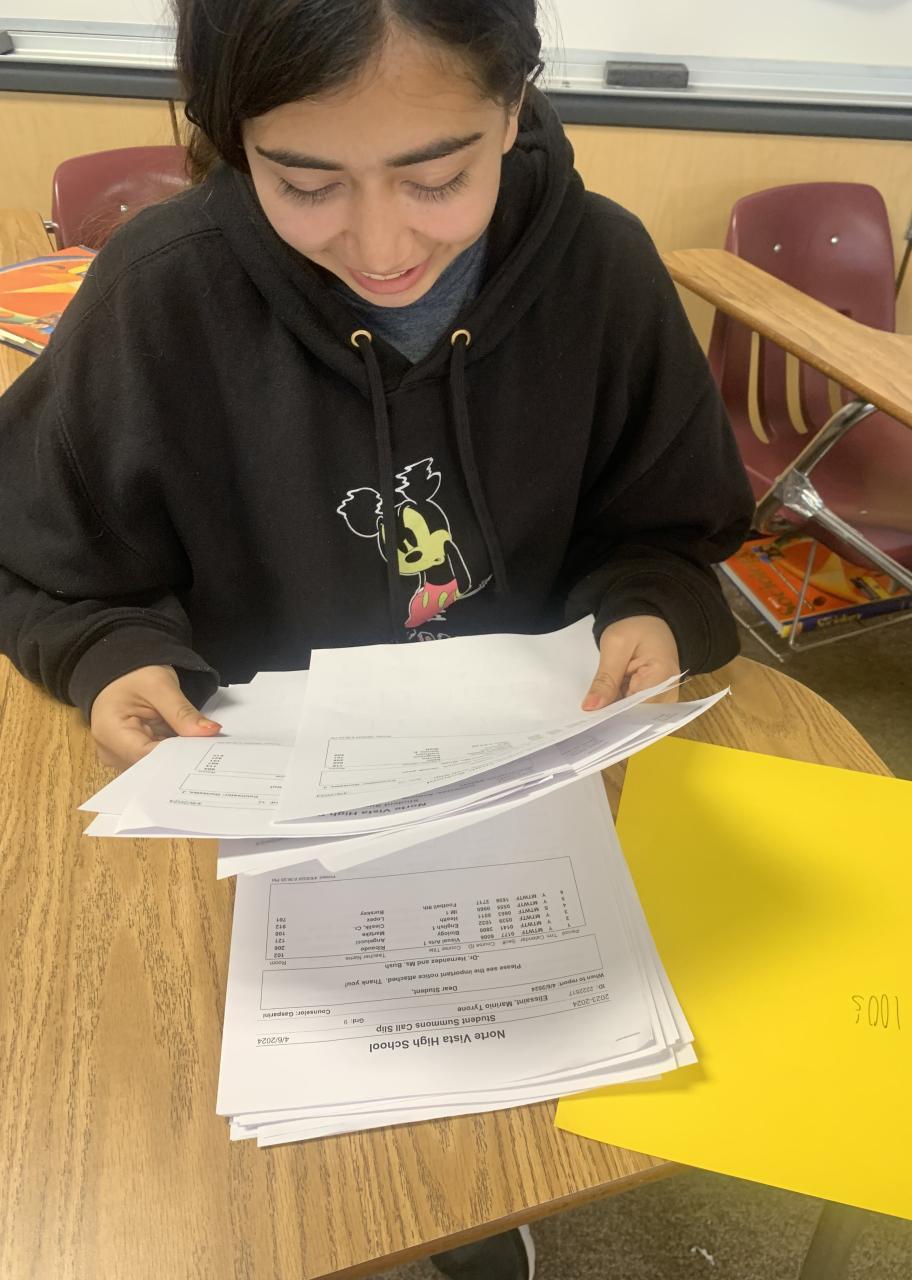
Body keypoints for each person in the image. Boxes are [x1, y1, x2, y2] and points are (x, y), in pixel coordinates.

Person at [0, 3, 752, 1273]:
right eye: (304, 183)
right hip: (250, 822)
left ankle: (476, 1215)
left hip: (527, 799)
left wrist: (648, 601)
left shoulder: (604, 272)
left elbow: (665, 524)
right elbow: (39, 548)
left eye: (438, 177)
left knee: (497, 1117)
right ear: (230, 135)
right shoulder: (162, 289)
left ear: (512, 108)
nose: (384, 244)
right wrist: (103, 648)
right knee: (248, 1162)